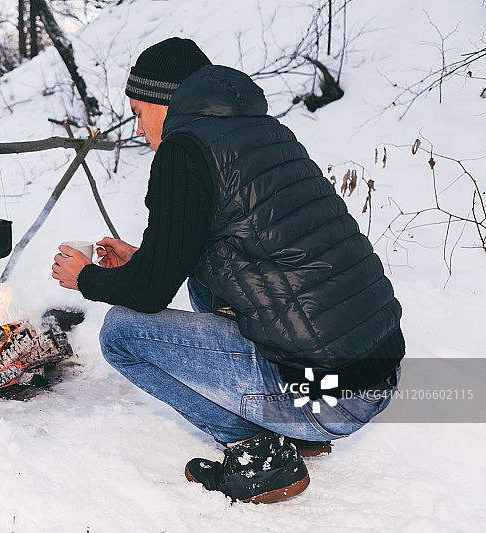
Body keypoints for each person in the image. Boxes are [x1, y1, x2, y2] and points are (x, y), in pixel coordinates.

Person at [51, 37, 404, 504]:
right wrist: (147, 259)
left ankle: (259, 453)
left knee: (119, 333)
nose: (139, 130)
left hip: (328, 397)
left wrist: (86, 279)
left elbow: (150, 295)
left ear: (164, 101)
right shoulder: (261, 131)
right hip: (374, 378)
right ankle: (297, 432)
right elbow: (247, 249)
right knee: (203, 282)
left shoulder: (183, 151)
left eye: (139, 112)